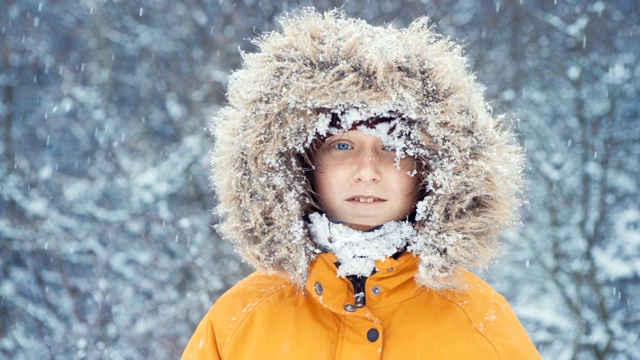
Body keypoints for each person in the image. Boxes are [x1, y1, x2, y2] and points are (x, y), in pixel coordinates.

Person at [183, 8, 541, 359]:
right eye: (342, 145)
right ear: (301, 164)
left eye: (394, 147)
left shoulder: (480, 323)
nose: (367, 171)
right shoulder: (240, 319)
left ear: (433, 169)